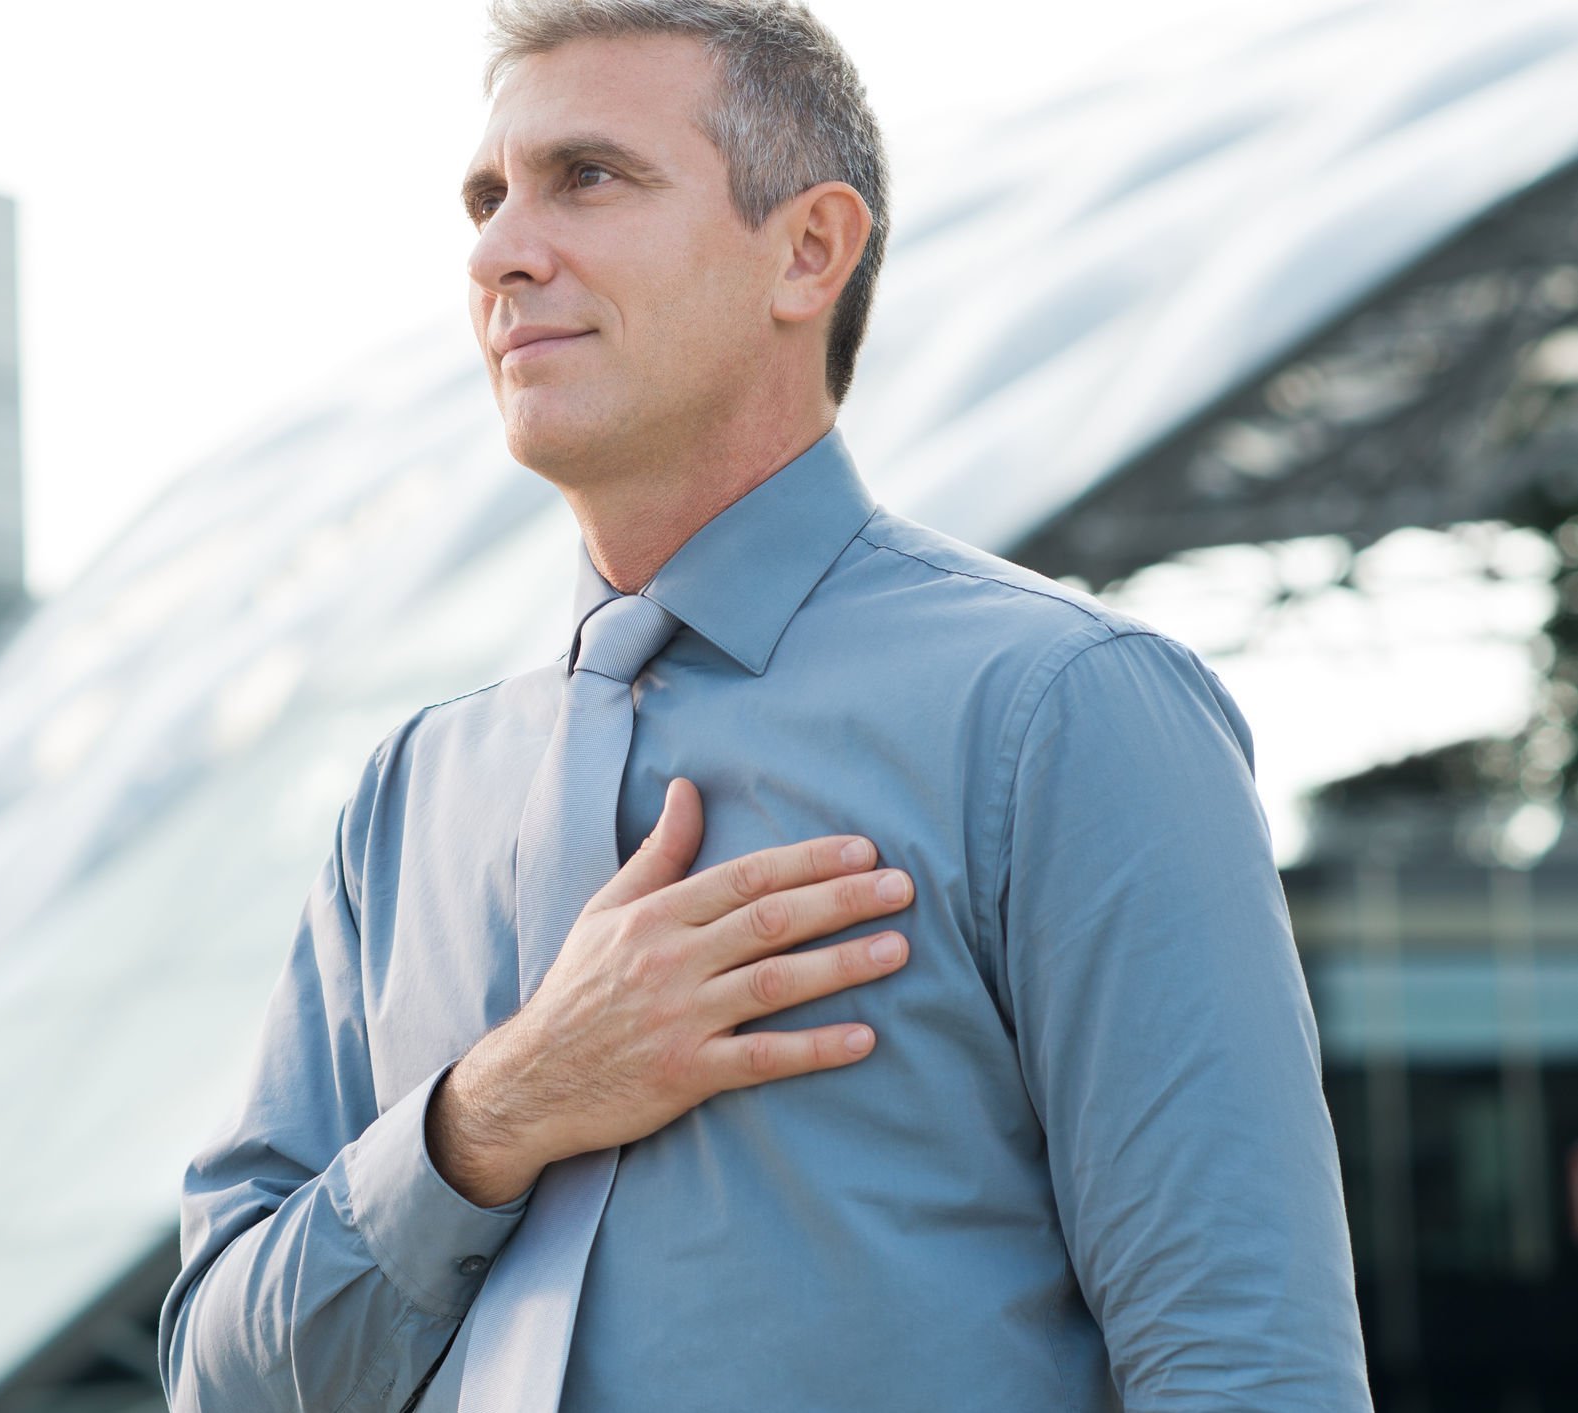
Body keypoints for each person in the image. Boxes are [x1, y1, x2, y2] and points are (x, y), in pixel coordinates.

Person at [156, 1, 1374, 1408]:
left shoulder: (1064, 714)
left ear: (807, 250)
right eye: (486, 199)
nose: (498, 251)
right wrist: (490, 1115)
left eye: (587, 177)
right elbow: (220, 1378)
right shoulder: (406, 794)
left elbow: (1242, 1361)